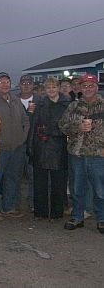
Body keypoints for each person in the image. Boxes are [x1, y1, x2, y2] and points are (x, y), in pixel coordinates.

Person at [59, 74, 104, 234]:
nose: (88, 89)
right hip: (77, 154)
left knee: (100, 189)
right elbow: (62, 125)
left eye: (91, 86)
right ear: (80, 88)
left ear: (96, 87)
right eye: (85, 86)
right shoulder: (74, 106)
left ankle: (102, 219)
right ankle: (77, 216)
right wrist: (78, 126)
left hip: (98, 154)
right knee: (77, 188)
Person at [0, 72, 29, 219]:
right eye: (2, 82)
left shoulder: (16, 100)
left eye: (7, 82)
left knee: (13, 178)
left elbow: (26, 121)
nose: (5, 85)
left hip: (17, 147)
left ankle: (9, 206)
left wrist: (22, 138)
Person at [27, 78, 69, 220]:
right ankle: (41, 212)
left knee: (58, 183)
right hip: (41, 146)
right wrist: (30, 146)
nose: (51, 90)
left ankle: (57, 212)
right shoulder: (39, 104)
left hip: (59, 147)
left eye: (54, 87)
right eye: (48, 88)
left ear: (58, 88)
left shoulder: (67, 104)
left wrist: (52, 131)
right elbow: (33, 126)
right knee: (40, 182)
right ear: (45, 90)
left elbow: (68, 127)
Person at [18, 74, 41, 211]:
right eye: (23, 83)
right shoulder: (13, 101)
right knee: (15, 176)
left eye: (29, 83)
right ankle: (14, 204)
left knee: (34, 176)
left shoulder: (41, 100)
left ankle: (33, 202)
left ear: (33, 85)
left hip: (35, 143)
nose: (26, 85)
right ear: (19, 85)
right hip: (18, 143)